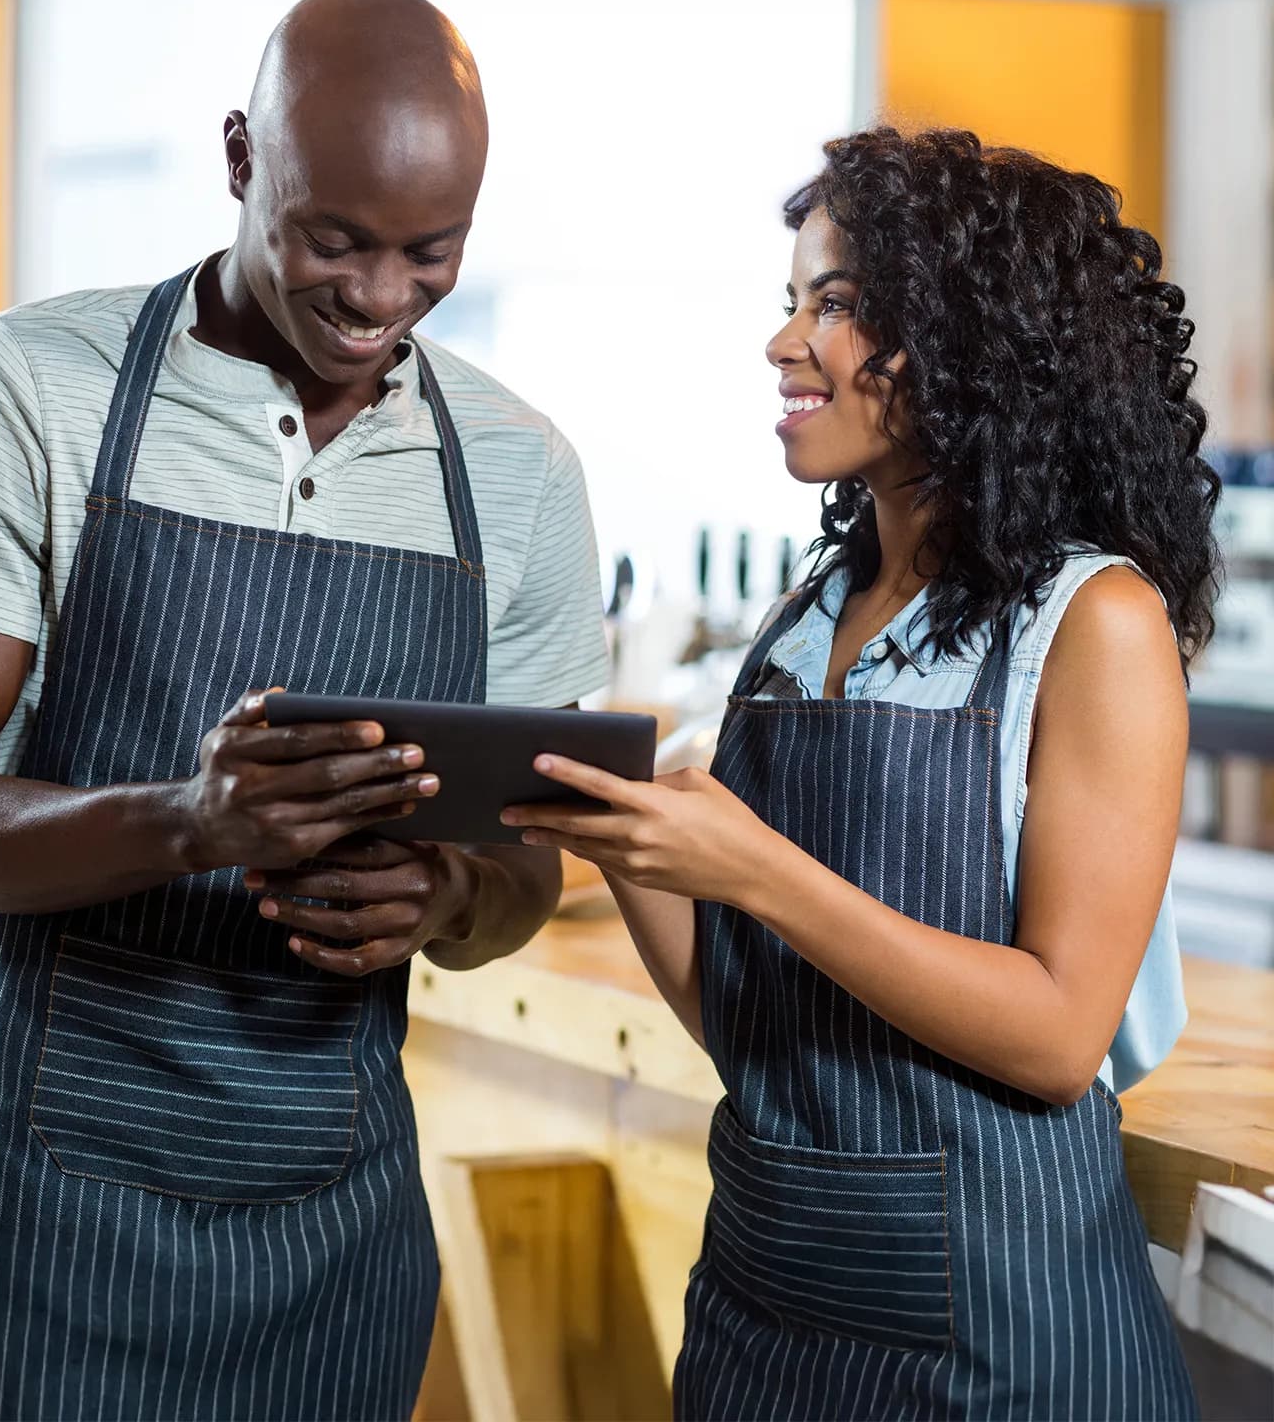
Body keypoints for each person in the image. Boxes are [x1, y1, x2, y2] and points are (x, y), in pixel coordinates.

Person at [0, 0, 606, 1422]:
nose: (380, 298)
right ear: (239, 159)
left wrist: (447, 898)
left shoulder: (519, 473)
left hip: (334, 1231)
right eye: (334, 240)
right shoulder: (31, 391)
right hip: (40, 1220)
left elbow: (527, 871)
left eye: (433, 253)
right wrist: (188, 822)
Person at [504, 127, 1212, 1420]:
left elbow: (1061, 1036)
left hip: (998, 1337)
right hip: (767, 1304)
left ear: (972, 338)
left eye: (835, 304)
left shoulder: (1093, 623)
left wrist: (755, 872)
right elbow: (755, 1028)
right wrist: (624, 832)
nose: (785, 343)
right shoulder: (806, 617)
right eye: (794, 301)